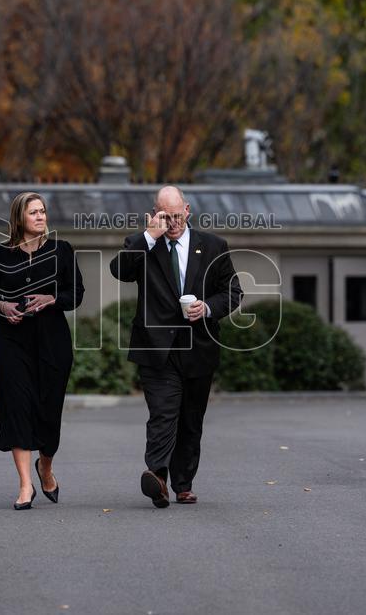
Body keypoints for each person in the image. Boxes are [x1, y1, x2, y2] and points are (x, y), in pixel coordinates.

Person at [109, 186, 243, 507]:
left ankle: (183, 483)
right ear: (155, 214)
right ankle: (157, 477)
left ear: (188, 210)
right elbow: (119, 270)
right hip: (156, 349)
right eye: (164, 216)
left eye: (176, 214)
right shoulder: (142, 244)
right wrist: (148, 237)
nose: (172, 222)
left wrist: (207, 307)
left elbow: (233, 291)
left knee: (190, 418)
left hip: (199, 347)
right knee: (163, 413)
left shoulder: (212, 246)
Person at [0, 192, 84, 509]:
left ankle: (46, 467)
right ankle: (25, 486)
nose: (40, 217)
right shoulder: (1, 253)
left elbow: (76, 293)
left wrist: (52, 299)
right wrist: (2, 305)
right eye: (33, 213)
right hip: (11, 341)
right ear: (19, 219)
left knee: (48, 411)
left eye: (43, 212)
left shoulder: (61, 250)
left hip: (52, 342)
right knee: (17, 408)